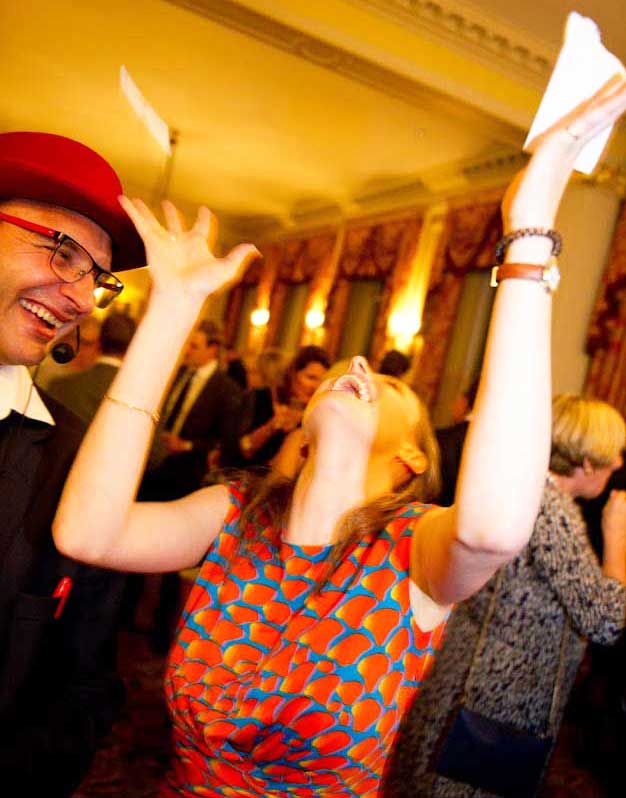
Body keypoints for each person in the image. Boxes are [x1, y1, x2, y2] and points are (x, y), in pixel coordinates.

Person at [53, 75, 626, 796]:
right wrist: (172, 307)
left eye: (385, 384)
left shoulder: (416, 551)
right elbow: (87, 535)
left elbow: (490, 529)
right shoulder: (233, 515)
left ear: (413, 455)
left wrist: (531, 223)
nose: (355, 363)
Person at [385, 394, 626, 797]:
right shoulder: (548, 508)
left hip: (471, 685)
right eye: (614, 452)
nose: (619, 463)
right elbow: (606, 618)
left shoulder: (526, 491)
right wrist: (617, 538)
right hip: (495, 703)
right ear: (587, 460)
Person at [0, 130, 144, 796]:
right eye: (63, 252)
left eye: (97, 277)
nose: (82, 299)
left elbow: (82, 682)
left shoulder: (80, 463)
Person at [141, 320, 243, 500]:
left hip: (188, 475)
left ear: (212, 349)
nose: (187, 351)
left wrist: (185, 445)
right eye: (186, 344)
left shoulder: (227, 389)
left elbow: (226, 440)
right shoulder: (177, 374)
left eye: (194, 346)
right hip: (152, 465)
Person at [238, 345, 329, 468]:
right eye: (311, 377)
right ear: (293, 374)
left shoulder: (317, 416)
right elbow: (242, 449)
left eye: (322, 381)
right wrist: (271, 426)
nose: (315, 386)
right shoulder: (262, 397)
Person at [46, 312, 137, 424]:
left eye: (88, 344)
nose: (83, 351)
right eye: (82, 342)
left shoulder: (60, 385)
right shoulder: (144, 398)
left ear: (98, 345)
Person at [35, 314, 102, 390]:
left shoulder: (95, 376)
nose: (86, 350)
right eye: (84, 342)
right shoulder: (47, 368)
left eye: (91, 345)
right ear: (69, 340)